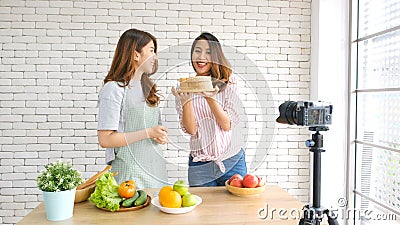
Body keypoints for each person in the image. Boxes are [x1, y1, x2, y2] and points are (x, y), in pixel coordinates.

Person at [172, 32, 247, 187]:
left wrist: (210, 98)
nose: (201, 57)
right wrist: (186, 101)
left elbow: (227, 125)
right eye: (197, 51)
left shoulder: (229, 82)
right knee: (203, 211)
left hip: (232, 161)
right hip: (200, 165)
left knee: (237, 210)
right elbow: (191, 130)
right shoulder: (185, 87)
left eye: (208, 52)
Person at [97, 29, 168, 188]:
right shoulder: (114, 89)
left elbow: (151, 128)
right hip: (129, 172)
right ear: (136, 55)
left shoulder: (147, 88)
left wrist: (158, 135)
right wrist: (148, 132)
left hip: (155, 170)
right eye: (151, 50)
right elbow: (105, 139)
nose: (155, 57)